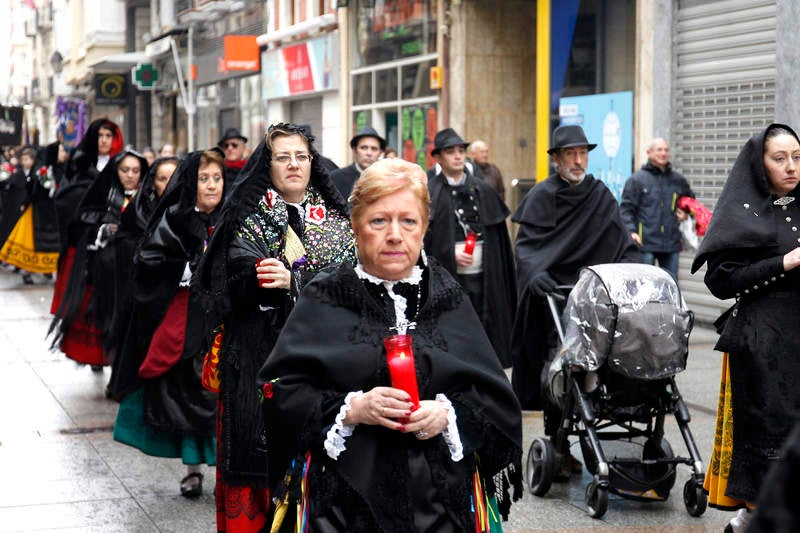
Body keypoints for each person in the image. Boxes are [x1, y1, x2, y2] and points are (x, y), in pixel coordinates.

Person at [256, 158, 522, 531]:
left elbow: (495, 400)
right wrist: (352, 409)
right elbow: (279, 393)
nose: (395, 235)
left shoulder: (447, 295)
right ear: (355, 226)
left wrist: (447, 415)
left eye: (408, 221)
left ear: (425, 228)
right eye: (379, 221)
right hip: (342, 507)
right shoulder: (324, 296)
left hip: (439, 506)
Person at [193, 122, 355, 532]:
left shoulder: (335, 217)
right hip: (255, 355)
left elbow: (351, 278)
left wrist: (295, 280)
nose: (294, 164)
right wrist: (262, 279)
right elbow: (229, 276)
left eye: (301, 156)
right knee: (255, 458)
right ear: (269, 163)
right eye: (283, 157)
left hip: (323, 361)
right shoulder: (246, 212)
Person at [510, 124, 639, 476]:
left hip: (597, 294)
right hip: (557, 296)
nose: (578, 160)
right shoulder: (541, 196)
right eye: (571, 154)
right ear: (557, 159)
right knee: (561, 368)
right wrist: (537, 276)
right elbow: (527, 249)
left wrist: (634, 270)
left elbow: (620, 243)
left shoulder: (600, 195)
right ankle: (558, 440)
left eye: (583, 153)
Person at [691, 123, 800, 533]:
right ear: (760, 164)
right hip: (762, 344)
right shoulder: (744, 210)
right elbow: (720, 282)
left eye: (797, 157)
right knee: (770, 434)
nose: (791, 167)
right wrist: (783, 263)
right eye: (779, 158)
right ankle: (754, 516)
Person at [112, 149, 224, 498]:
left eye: (217, 178)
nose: (211, 185)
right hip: (186, 323)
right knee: (191, 394)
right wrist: (185, 269)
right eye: (203, 178)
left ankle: (230, 470)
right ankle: (193, 470)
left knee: (225, 398)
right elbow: (149, 258)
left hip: (224, 320)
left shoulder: (235, 216)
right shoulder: (174, 217)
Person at [424, 127, 516, 368]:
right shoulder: (428, 192)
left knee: (485, 327)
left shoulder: (483, 188)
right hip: (447, 278)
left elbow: (498, 238)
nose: (457, 156)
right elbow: (422, 241)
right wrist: (449, 253)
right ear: (438, 158)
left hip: (484, 277)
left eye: (461, 151)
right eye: (450, 151)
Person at [49, 119, 124, 370]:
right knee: (88, 300)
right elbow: (66, 198)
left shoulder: (124, 165)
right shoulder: (80, 164)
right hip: (85, 245)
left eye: (109, 135)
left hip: (116, 245)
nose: (104, 140)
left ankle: (111, 352)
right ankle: (95, 355)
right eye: (100, 135)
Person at [620, 138, 695, 281]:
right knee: (644, 286)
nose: (663, 153)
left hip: (671, 243)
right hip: (645, 243)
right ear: (649, 153)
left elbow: (690, 201)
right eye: (659, 150)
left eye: (666, 150)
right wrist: (631, 231)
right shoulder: (637, 180)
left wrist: (686, 212)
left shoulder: (677, 180)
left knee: (670, 286)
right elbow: (626, 209)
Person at [0, 145, 59, 283]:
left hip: (47, 215)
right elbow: (32, 191)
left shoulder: (49, 170)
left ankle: (46, 269)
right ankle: (27, 270)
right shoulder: (38, 172)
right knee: (29, 241)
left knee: (45, 242)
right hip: (35, 212)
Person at [329, 125, 386, 199]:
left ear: (380, 153)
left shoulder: (386, 179)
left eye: (374, 149)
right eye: (364, 148)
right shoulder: (336, 178)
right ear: (355, 150)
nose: (369, 153)